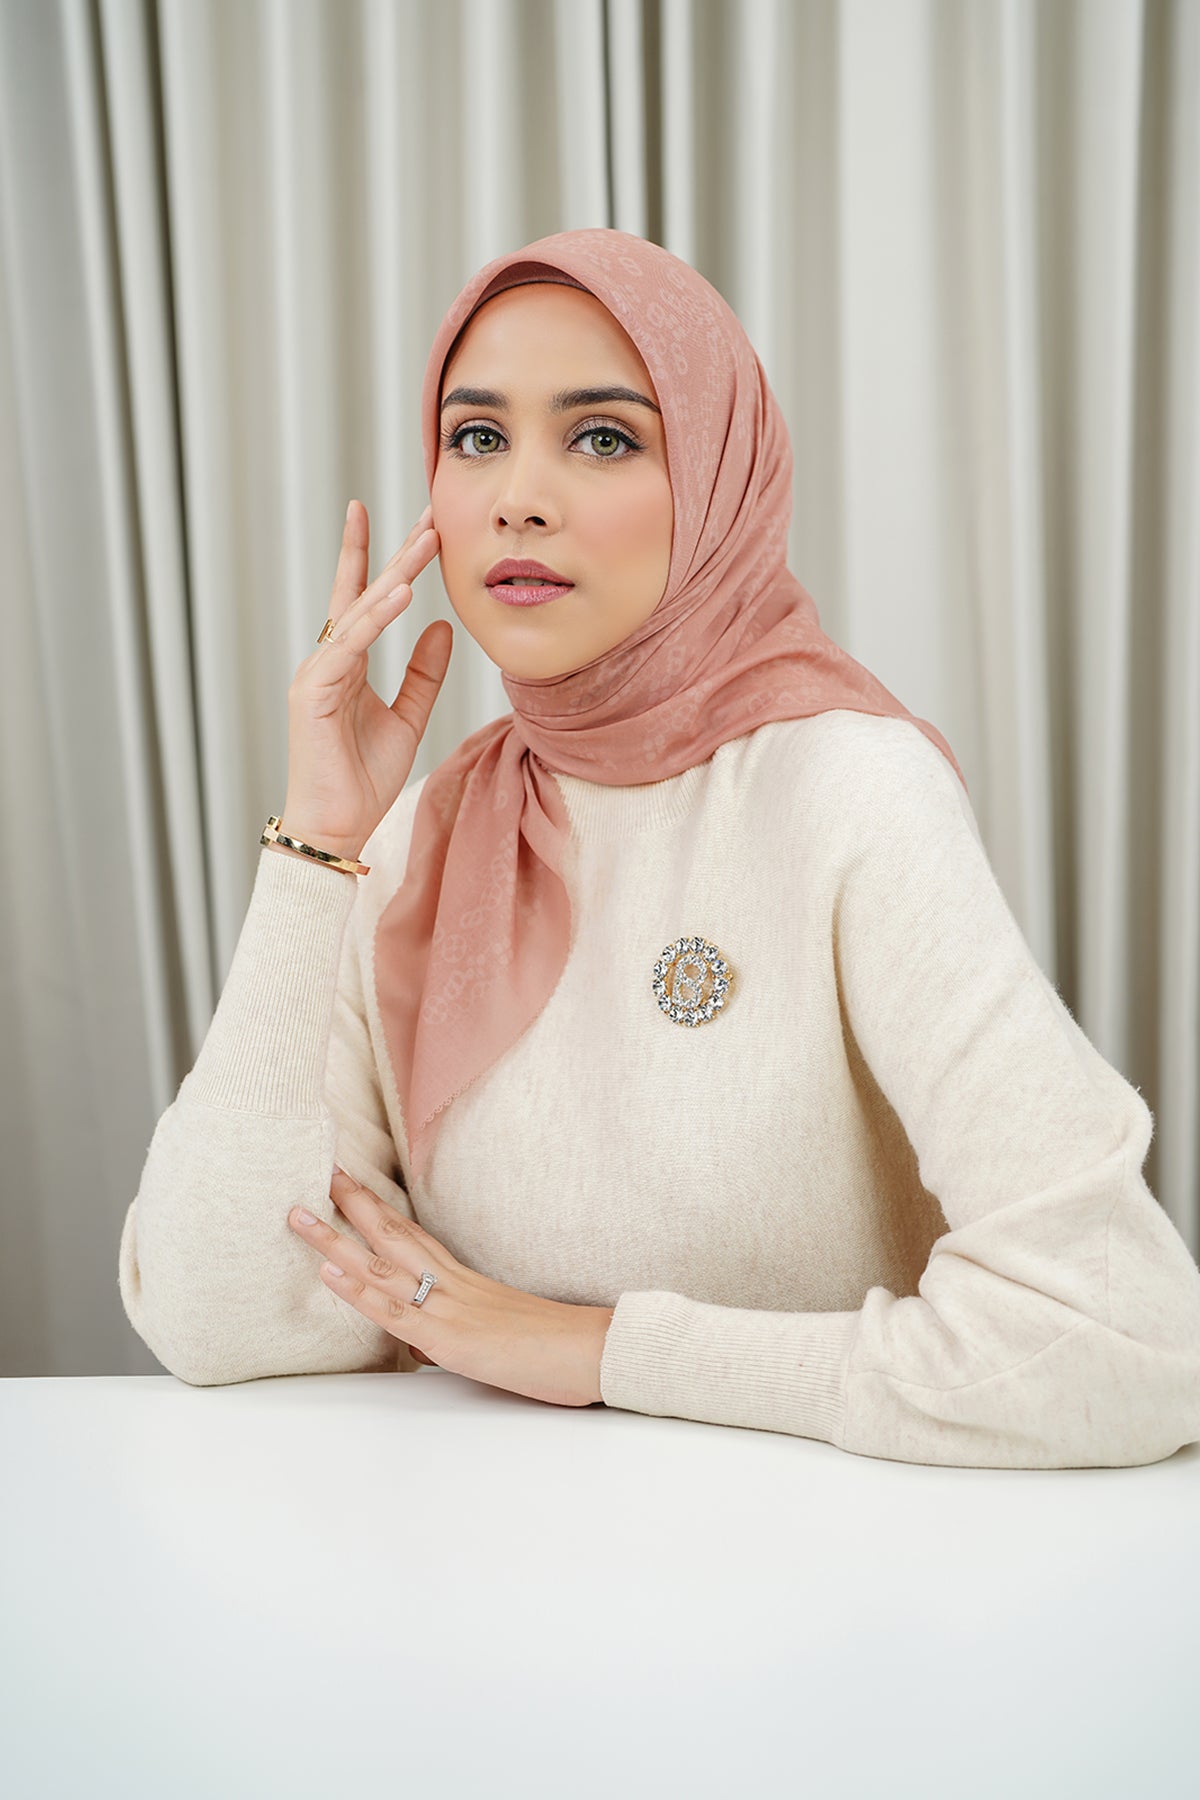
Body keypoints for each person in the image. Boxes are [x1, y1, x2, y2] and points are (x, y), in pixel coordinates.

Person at [118, 226, 1200, 1468]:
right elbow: (219, 1320)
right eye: (477, 438)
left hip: (837, 1564)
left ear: (720, 481)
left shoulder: (849, 792)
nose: (520, 496)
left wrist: (598, 1353)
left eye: (602, 438)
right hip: (494, 1560)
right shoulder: (428, 836)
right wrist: (315, 848)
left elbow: (1120, 1338)